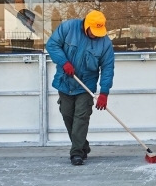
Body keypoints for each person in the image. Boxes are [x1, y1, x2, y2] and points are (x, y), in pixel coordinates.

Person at [46, 9, 115, 166]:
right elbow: (52, 44)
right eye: (94, 31)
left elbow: (108, 68)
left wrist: (104, 92)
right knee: (67, 114)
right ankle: (82, 145)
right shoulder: (68, 28)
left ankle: (76, 153)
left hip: (86, 85)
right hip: (65, 81)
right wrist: (64, 62)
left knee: (81, 118)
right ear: (86, 25)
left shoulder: (105, 43)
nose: (96, 35)